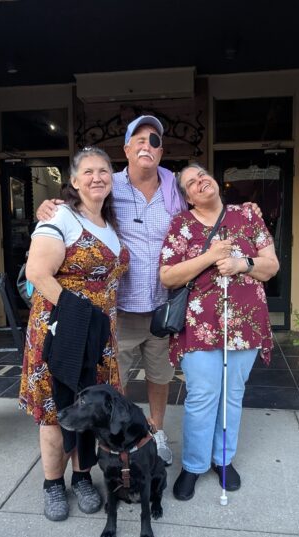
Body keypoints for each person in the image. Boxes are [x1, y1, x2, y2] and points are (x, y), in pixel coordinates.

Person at [37, 115, 184, 466]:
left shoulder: (174, 188)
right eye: (140, 139)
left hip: (164, 306)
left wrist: (244, 210)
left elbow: (207, 206)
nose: (147, 146)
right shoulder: (107, 183)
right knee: (112, 381)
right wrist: (46, 206)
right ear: (127, 148)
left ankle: (156, 433)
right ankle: (115, 441)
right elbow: (74, 209)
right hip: (121, 307)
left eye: (155, 141)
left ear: (161, 152)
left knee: (160, 376)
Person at [19, 147, 129, 521]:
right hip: (61, 330)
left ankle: (82, 476)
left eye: (104, 171)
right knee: (56, 410)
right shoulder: (61, 217)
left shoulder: (109, 225)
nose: (97, 177)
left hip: (98, 337)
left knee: (91, 409)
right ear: (74, 180)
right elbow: (37, 273)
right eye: (88, 171)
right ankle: (53, 484)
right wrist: (80, 314)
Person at [158, 163, 279, 501]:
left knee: (232, 394)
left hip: (246, 325)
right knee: (201, 396)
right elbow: (167, 276)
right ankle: (194, 465)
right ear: (187, 198)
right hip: (199, 326)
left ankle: (222, 460)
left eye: (202, 176)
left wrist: (244, 264)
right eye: (191, 183)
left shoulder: (247, 216)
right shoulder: (181, 226)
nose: (200, 182)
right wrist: (209, 257)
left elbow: (271, 267)